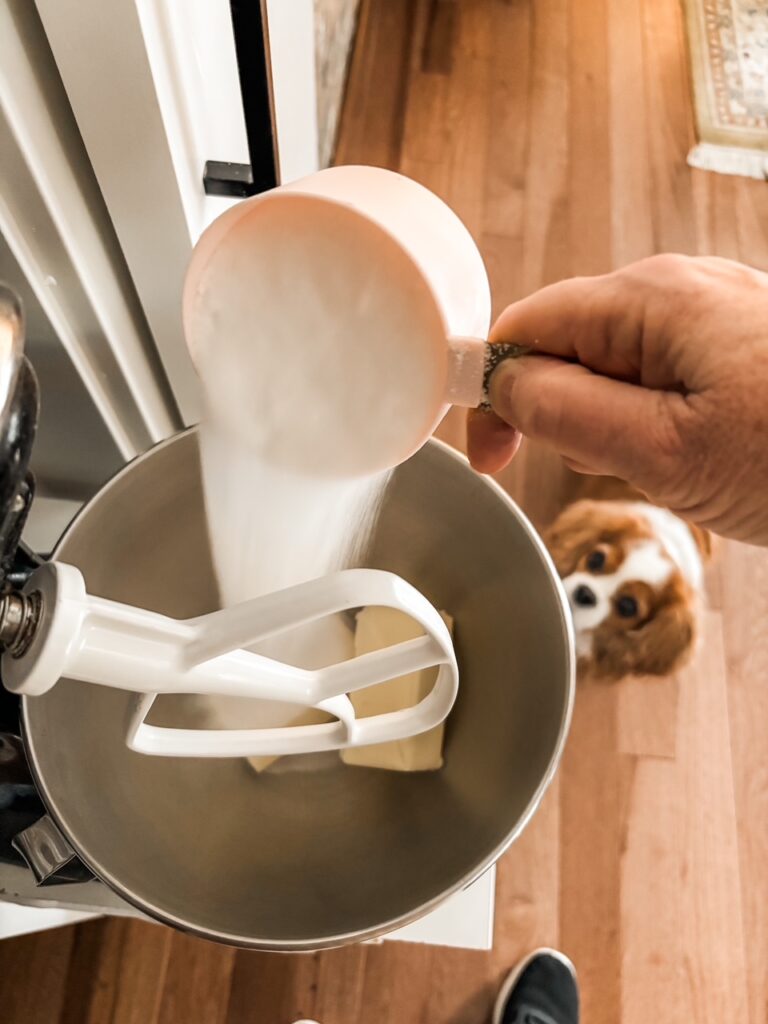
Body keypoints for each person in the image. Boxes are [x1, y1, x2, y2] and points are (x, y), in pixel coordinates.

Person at [295, 254, 768, 1024]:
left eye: (624, 608)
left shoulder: (665, 621)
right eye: (602, 567)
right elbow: (585, 542)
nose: (591, 587)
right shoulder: (597, 528)